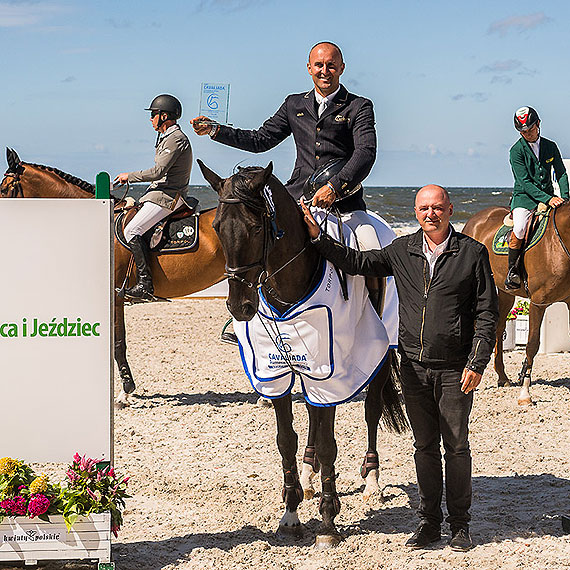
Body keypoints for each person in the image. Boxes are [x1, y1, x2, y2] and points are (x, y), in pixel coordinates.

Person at [301, 185, 499, 551]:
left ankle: (460, 525)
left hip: (457, 368)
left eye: (437, 207)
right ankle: (429, 523)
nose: (431, 214)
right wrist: (316, 239)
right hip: (412, 366)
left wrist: (478, 361)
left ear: (450, 210)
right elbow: (358, 263)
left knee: (456, 446)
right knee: (423, 446)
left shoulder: (471, 253)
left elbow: (488, 313)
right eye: (424, 208)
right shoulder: (403, 250)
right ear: (416, 211)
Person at [191, 41, 386, 308]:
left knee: (370, 244)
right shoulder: (294, 104)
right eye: (319, 65)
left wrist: (335, 187)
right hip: (298, 199)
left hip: (344, 205)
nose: (325, 70)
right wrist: (216, 130)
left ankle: (373, 319)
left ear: (341, 68)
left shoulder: (358, 106)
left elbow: (365, 153)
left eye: (331, 65)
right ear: (309, 68)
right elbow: (260, 140)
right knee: (256, 242)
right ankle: (246, 309)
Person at [115, 94, 193, 300]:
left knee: (132, 229)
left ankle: (145, 285)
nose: (150, 119)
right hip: (158, 193)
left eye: (153, 115)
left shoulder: (176, 139)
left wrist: (128, 176)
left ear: (164, 116)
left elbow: (158, 172)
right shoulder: (167, 138)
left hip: (167, 196)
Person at [506, 106, 569, 289]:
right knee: (519, 228)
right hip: (524, 199)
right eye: (523, 132)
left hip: (550, 196)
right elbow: (524, 182)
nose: (528, 134)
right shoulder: (515, 151)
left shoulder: (550, 146)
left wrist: (565, 198)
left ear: (538, 124)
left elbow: (561, 173)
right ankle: (513, 271)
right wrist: (548, 199)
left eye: (531, 129)